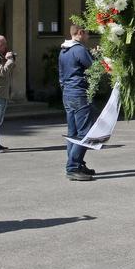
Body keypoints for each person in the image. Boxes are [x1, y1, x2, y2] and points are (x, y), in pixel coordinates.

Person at [58, 24, 97, 181]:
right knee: (85, 132)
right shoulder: (79, 50)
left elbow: (61, 74)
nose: (88, 36)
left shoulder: (63, 51)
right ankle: (73, 167)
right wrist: (98, 56)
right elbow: (94, 68)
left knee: (73, 133)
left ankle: (77, 163)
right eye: (87, 34)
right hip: (79, 93)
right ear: (80, 33)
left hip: (68, 93)